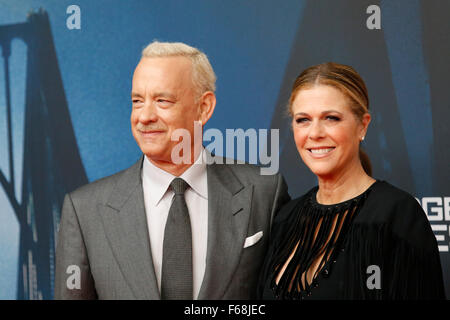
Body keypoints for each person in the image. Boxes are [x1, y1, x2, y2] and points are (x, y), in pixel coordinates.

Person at [54, 41, 290, 300]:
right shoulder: (84, 210)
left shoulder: (265, 192)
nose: (144, 117)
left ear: (204, 108)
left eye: (162, 100)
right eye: (137, 101)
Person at [257, 62, 446, 300]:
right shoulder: (286, 218)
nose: (315, 133)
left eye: (331, 118)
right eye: (303, 120)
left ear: (362, 125)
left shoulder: (397, 216)